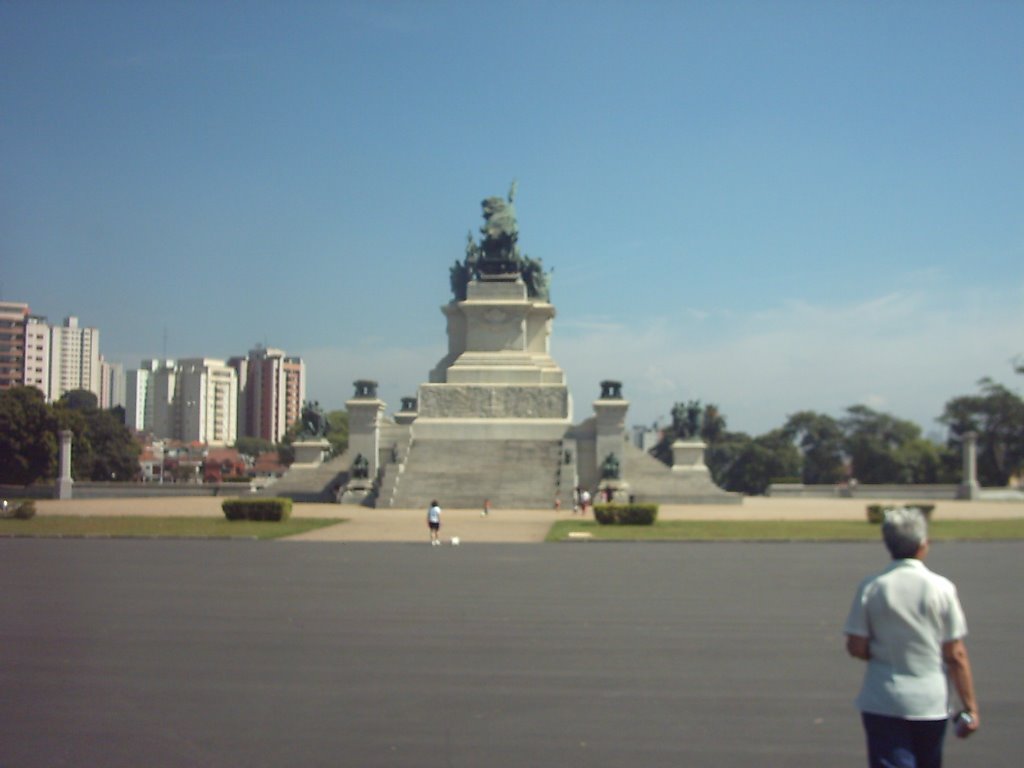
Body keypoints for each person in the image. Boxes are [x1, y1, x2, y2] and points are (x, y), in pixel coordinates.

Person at [844, 507, 979, 767]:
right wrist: (970, 706)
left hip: (883, 698)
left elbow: (856, 646)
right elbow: (955, 654)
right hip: (930, 701)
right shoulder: (942, 588)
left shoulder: (871, 586)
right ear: (922, 545)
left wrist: (884, 650)